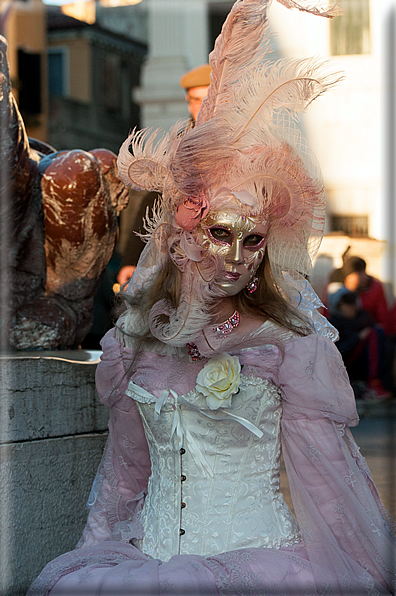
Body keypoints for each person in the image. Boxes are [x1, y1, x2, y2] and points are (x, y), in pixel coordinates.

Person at [28, 1, 396, 595]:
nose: (236, 256)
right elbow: (124, 479)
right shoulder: (133, 344)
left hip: (265, 571)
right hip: (141, 567)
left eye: (253, 239)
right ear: (185, 235)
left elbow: (329, 490)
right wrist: (90, 562)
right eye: (220, 234)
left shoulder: (289, 346)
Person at [116, 64, 211, 287]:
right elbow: (154, 201)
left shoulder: (244, 140)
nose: (201, 107)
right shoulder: (178, 145)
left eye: (207, 99)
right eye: (195, 100)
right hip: (183, 256)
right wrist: (132, 260)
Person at [328, 287, 393, 400]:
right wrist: (358, 337)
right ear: (338, 305)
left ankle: (383, 383)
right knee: (373, 334)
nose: (351, 307)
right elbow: (336, 351)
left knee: (380, 334)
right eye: (347, 303)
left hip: (366, 362)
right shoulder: (333, 324)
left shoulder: (364, 317)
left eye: (353, 303)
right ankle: (373, 383)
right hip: (347, 364)